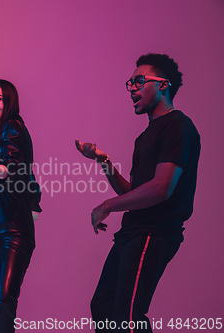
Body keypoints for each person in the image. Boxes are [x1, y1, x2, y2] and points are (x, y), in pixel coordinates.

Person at [76, 54, 200, 332]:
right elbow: (136, 192)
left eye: (139, 81)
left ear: (163, 85)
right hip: (134, 230)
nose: (132, 88)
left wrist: (107, 205)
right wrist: (103, 161)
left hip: (153, 232)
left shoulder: (177, 126)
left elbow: (160, 188)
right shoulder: (145, 136)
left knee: (127, 316)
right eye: (130, 83)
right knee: (104, 308)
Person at [0, 79, 41, 333]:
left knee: (2, 300)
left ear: (9, 101)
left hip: (11, 230)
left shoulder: (13, 127)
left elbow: (12, 165)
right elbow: (29, 176)